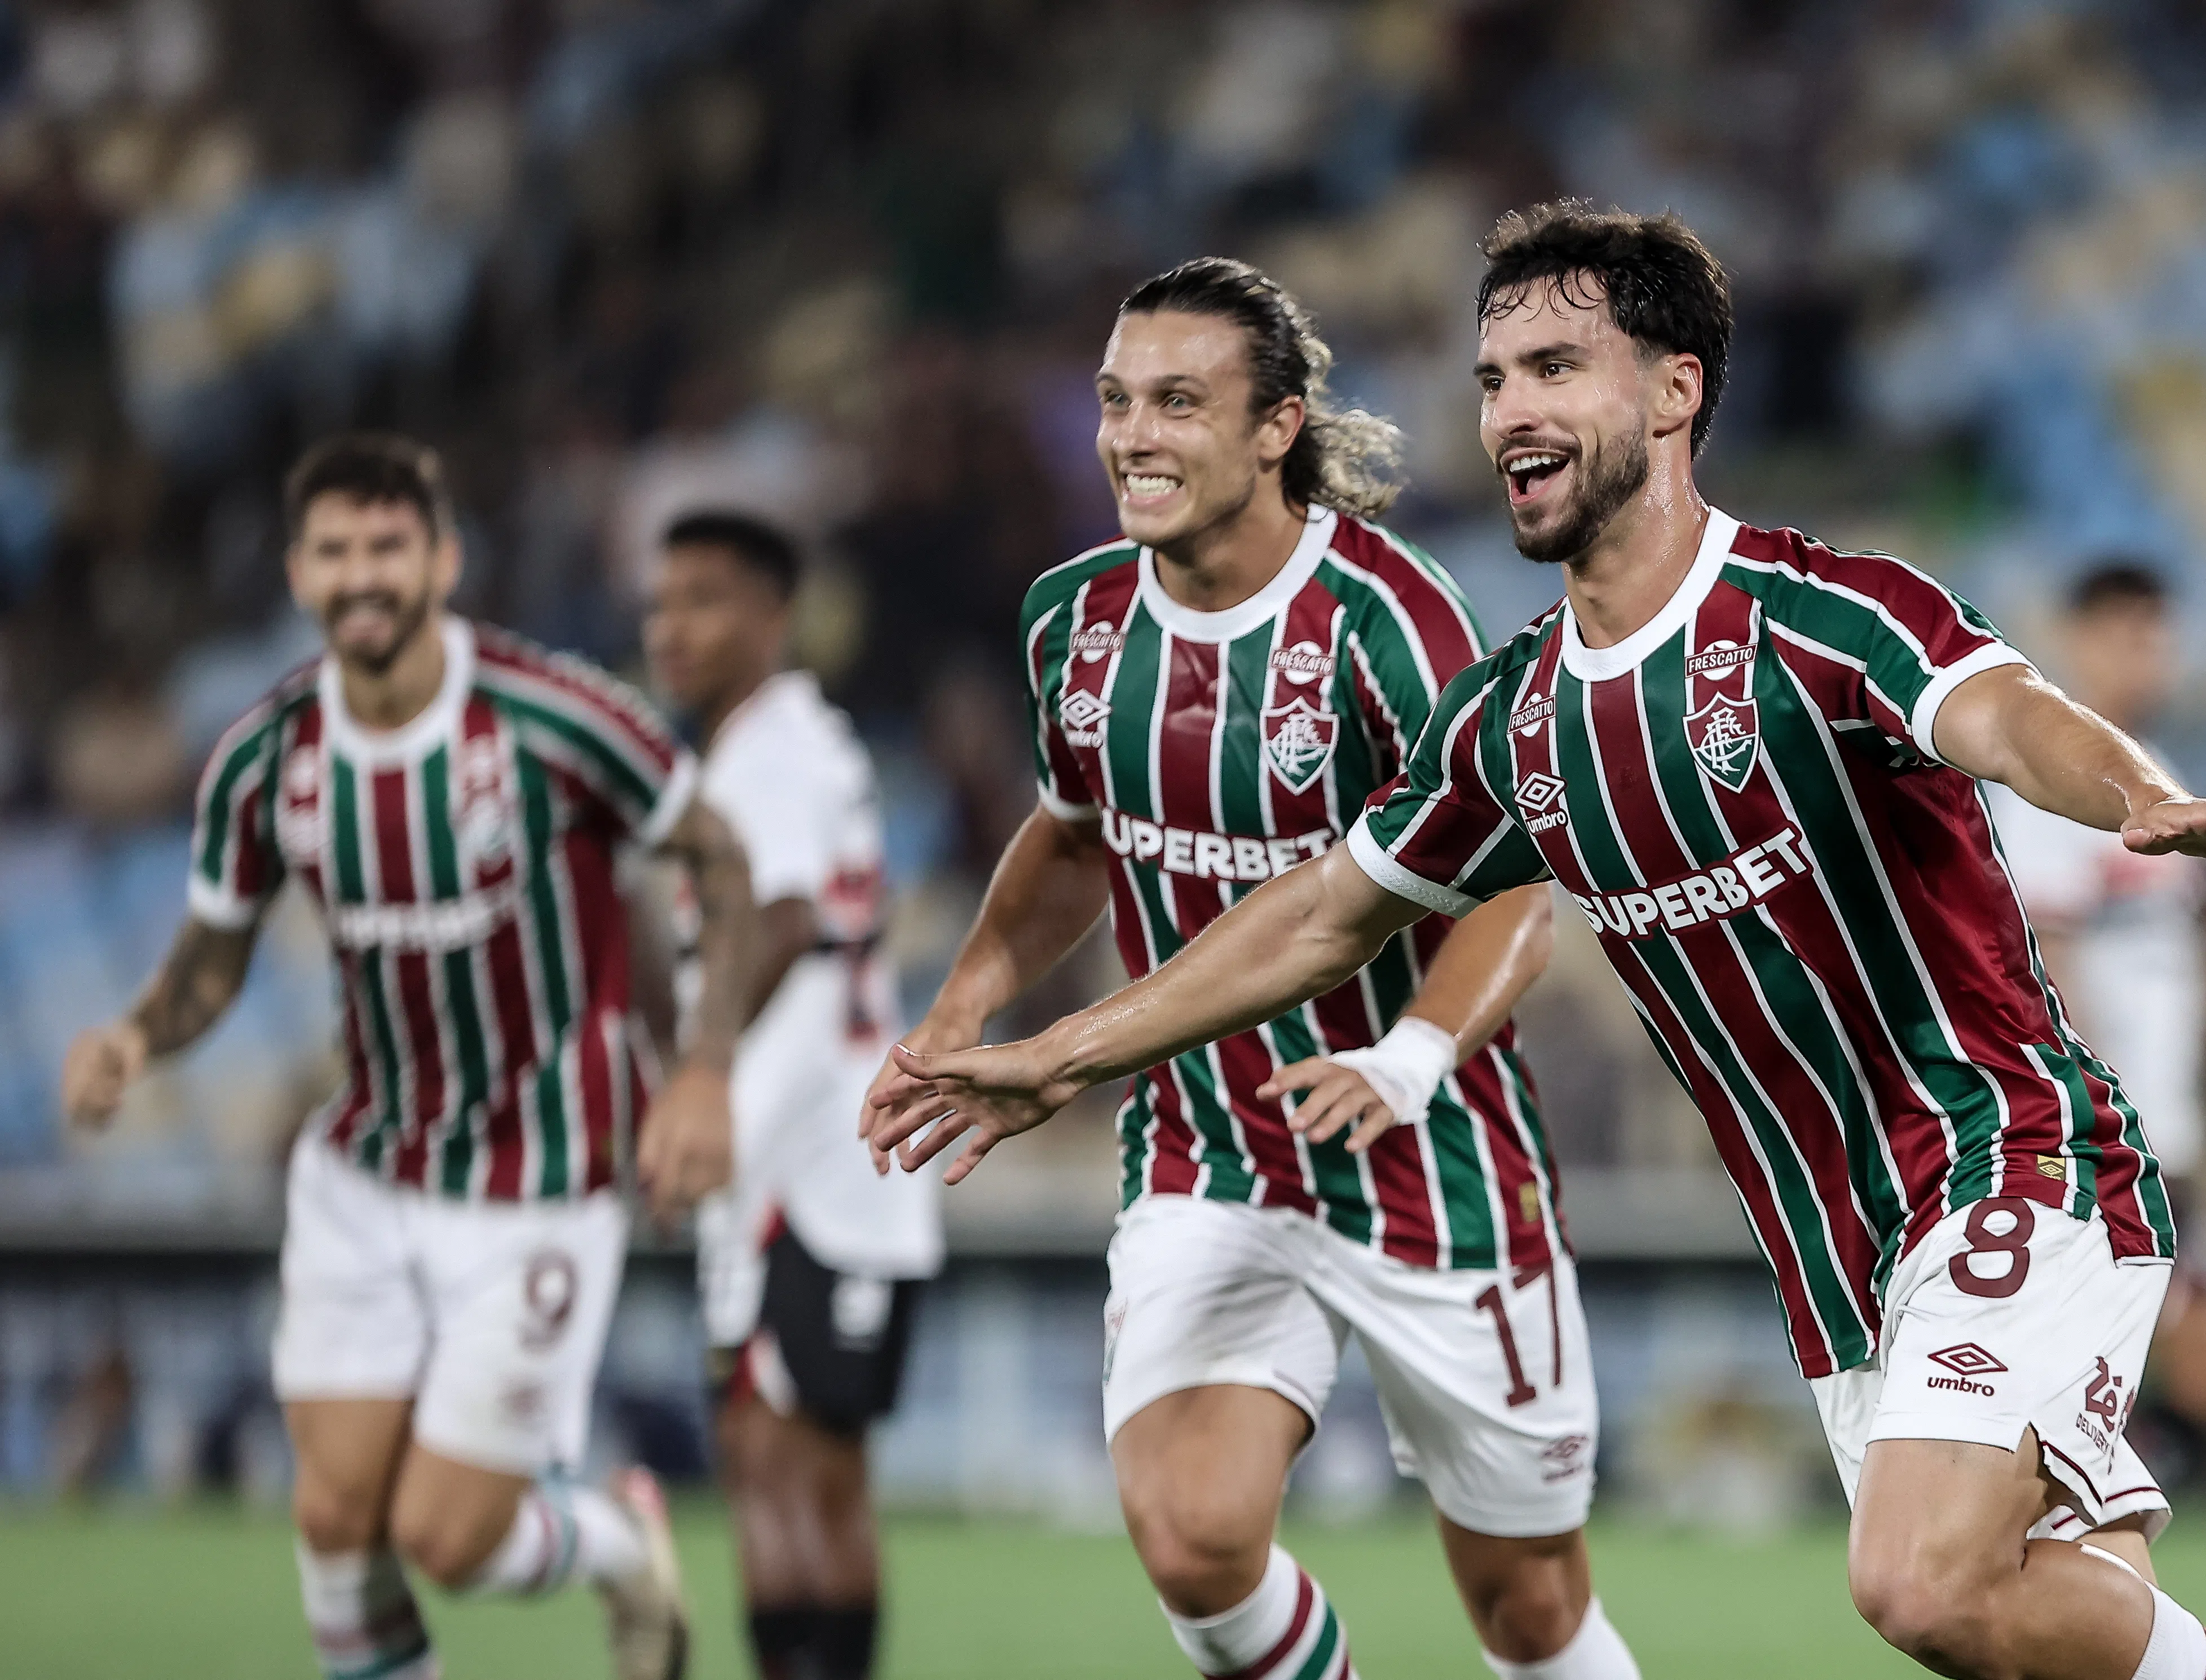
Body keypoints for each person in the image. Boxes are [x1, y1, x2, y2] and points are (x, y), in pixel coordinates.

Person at [865, 207, 2206, 1680]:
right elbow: (1320, 913)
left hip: (1999, 1148)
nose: (1509, 409)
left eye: (1555, 367)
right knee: (2023, 1616)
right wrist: (1060, 1050)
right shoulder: (1512, 722)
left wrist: (2139, 798)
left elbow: (2002, 712)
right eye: (1491, 378)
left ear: (1672, 390)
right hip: (1832, 1251)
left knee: (1913, 1581)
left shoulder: (1813, 614)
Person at [864, 258, 1639, 1680]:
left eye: (1176, 402)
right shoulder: (1075, 619)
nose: (1131, 436)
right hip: (1207, 1148)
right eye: (1112, 401)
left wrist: (1404, 1059)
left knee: (1526, 1611)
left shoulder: (1386, 620)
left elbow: (1514, 883)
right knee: (1191, 1536)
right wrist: (959, 1006)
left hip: (1428, 1151)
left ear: (1277, 426)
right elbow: (1071, 836)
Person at [60, 433, 758, 1680]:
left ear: (441, 560)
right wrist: (135, 1033)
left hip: (543, 1172)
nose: (362, 575)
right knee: (335, 1520)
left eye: (389, 546)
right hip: (371, 1168)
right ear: (297, 574)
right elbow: (215, 959)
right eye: (336, 551)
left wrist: (700, 1071)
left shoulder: (552, 714)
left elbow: (719, 857)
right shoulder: (266, 761)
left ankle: (613, 1543)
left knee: (446, 1536)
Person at [643, 509, 941, 1680]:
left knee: (780, 1465)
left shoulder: (765, 753)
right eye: (662, 601)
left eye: (705, 599)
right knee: (805, 1471)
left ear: (772, 617)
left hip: (808, 1169)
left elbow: (775, 921)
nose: (672, 627)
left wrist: (695, 1082)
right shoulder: (792, 743)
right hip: (816, 1167)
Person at [1984, 564, 2206, 1481]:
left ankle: (2090, 1497)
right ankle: (2067, 1509)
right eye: (2128, 633)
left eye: (2160, 633)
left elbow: (2192, 965)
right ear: (2079, 637)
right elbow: (2047, 960)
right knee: (2173, 1360)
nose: (2150, 655)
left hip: (2167, 1128)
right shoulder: (2051, 788)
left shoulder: (2162, 777)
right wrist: (2099, 1112)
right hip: (2107, 1130)